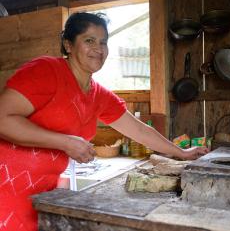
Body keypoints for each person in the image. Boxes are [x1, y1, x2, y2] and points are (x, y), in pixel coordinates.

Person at [0, 12, 209, 231]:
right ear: (68, 45)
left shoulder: (98, 95)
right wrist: (65, 142)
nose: (99, 49)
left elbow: (139, 131)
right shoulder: (46, 71)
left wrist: (180, 153)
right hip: (6, 188)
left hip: (41, 193)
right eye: (89, 40)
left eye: (103, 42)